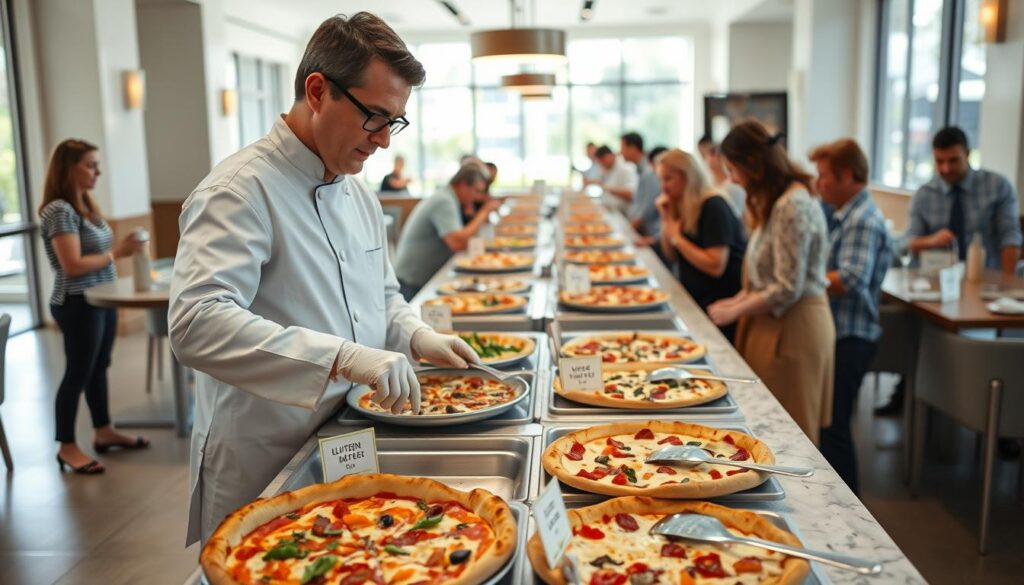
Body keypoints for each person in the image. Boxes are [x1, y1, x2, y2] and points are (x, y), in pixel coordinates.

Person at [169, 13, 480, 546]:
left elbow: (381, 295)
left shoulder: (356, 189)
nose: (383, 140)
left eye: (395, 122)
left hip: (347, 436)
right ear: (318, 91)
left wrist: (414, 335)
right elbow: (196, 323)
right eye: (374, 117)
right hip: (264, 453)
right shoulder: (239, 190)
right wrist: (342, 357)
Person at [707, 120, 835, 444]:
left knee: (789, 436)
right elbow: (765, 275)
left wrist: (737, 311)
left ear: (753, 166)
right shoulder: (779, 201)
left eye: (733, 170)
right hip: (771, 322)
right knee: (763, 428)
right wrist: (738, 301)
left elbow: (788, 286)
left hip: (793, 328)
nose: (733, 180)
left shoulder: (793, 205)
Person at [39, 139, 150, 475]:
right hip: (77, 301)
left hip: (100, 298)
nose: (97, 171)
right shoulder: (59, 210)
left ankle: (103, 430)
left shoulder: (83, 206)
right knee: (78, 372)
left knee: (98, 366)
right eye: (90, 164)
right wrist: (120, 251)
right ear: (68, 168)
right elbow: (71, 265)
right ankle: (67, 446)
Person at [809, 139, 892, 493]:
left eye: (824, 176)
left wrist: (806, 279)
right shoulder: (846, 214)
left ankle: (847, 509)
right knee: (831, 424)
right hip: (841, 333)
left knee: (835, 427)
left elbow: (850, 278)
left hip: (851, 336)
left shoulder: (861, 219)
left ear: (845, 175)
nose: (819, 183)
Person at [655, 149, 746, 341]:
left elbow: (715, 266)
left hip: (720, 306)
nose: (663, 187)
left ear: (687, 176)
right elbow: (672, 255)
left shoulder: (714, 205)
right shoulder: (681, 203)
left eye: (668, 179)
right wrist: (666, 219)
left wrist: (677, 238)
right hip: (696, 300)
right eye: (661, 180)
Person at [907, 126, 1021, 273]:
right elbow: (908, 242)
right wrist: (932, 240)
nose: (946, 169)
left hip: (985, 277)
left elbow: (1010, 237)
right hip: (938, 277)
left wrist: (1007, 282)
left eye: (953, 160)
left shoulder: (998, 186)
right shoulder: (924, 194)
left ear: (967, 154)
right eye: (939, 161)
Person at [394, 164, 502, 299]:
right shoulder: (444, 201)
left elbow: (464, 240)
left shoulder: (449, 198)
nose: (477, 197)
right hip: (411, 284)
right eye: (476, 191)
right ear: (463, 184)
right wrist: (484, 212)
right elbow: (457, 243)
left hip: (424, 280)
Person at [698, 134, 747, 218]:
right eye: (704, 155)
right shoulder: (708, 183)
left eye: (713, 154)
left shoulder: (733, 186)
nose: (708, 159)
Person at [631, 145, 667, 250]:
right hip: (656, 236)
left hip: (655, 235)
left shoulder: (650, 175)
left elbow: (647, 207)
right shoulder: (648, 173)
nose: (663, 185)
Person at [595, 145, 638, 211]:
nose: (602, 164)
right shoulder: (608, 168)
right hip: (610, 209)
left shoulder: (626, 167)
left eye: (602, 161)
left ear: (609, 156)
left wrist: (610, 189)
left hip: (624, 213)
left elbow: (631, 194)